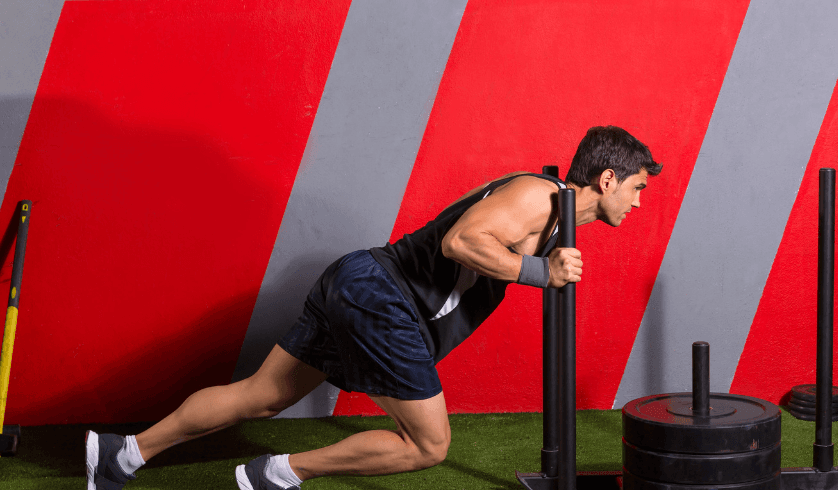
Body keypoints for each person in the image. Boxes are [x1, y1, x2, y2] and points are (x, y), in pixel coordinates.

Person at [85, 125, 661, 490]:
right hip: (383, 296)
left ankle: (122, 454)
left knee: (260, 397)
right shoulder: (537, 194)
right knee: (429, 446)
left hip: (359, 282)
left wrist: (549, 262)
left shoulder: (555, 216)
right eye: (636, 187)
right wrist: (542, 271)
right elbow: (460, 243)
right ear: (607, 178)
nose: (637, 202)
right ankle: (278, 472)